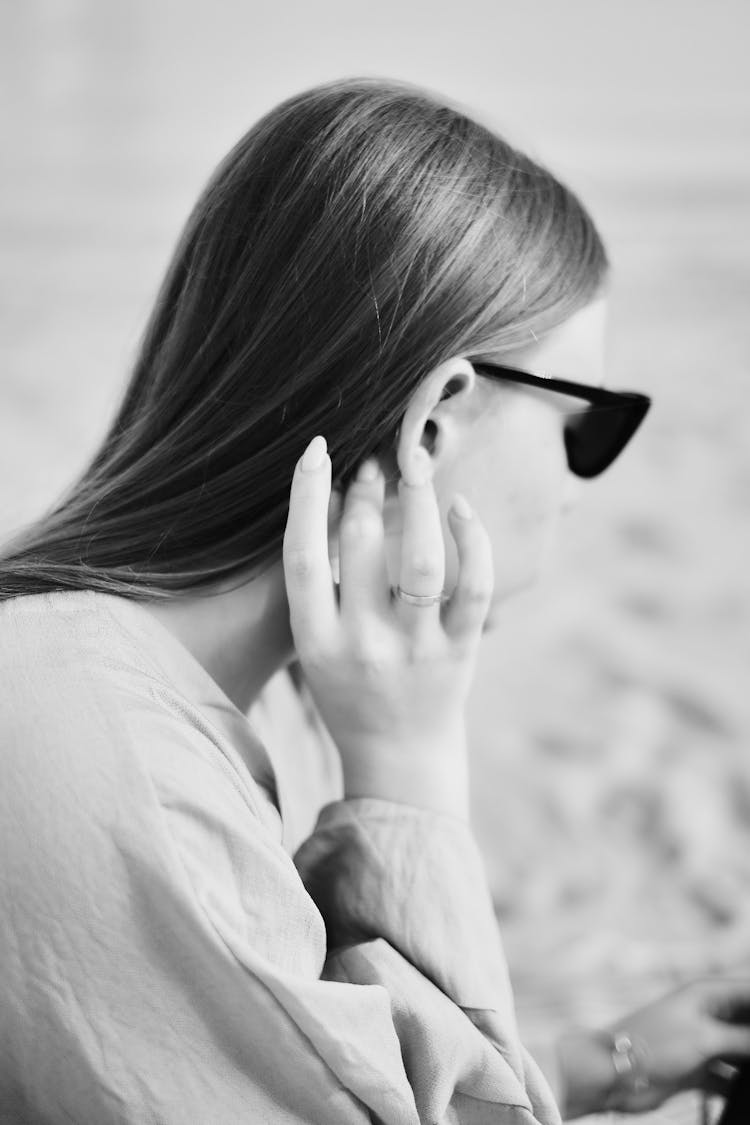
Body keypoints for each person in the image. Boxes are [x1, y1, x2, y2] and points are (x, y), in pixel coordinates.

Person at [0, 77, 747, 1123]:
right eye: (588, 424)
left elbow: (303, 1051)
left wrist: (592, 1065)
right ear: (433, 424)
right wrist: (409, 770)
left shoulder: (244, 700)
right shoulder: (92, 747)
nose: (581, 494)